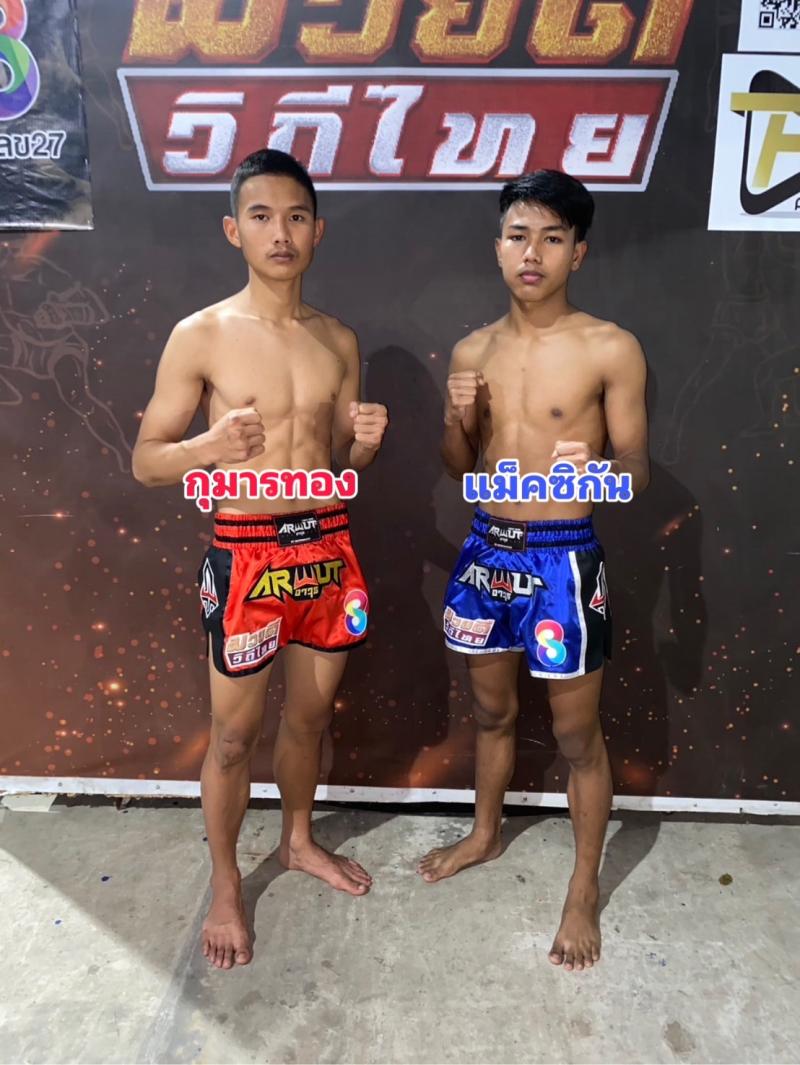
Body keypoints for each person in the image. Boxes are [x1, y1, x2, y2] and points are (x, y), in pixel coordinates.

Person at [132, 149, 388, 971]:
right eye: (262, 216)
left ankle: (298, 840)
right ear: (232, 229)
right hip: (246, 555)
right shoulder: (201, 334)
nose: (281, 233)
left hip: (327, 548)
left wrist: (366, 445)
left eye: (297, 216)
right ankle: (225, 884)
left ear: (319, 230)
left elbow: (341, 458)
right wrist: (205, 446)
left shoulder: (338, 339)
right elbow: (147, 459)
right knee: (235, 737)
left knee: (308, 721)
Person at [422, 170, 649, 973]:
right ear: (498, 246)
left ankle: (583, 887)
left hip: (563, 558)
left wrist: (600, 468)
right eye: (519, 235)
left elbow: (637, 472)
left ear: (577, 253)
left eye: (553, 238)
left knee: (577, 733)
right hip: (487, 551)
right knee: (490, 713)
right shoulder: (472, 350)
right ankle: (484, 833)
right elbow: (458, 467)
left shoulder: (610, 347)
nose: (533, 252)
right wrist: (459, 418)